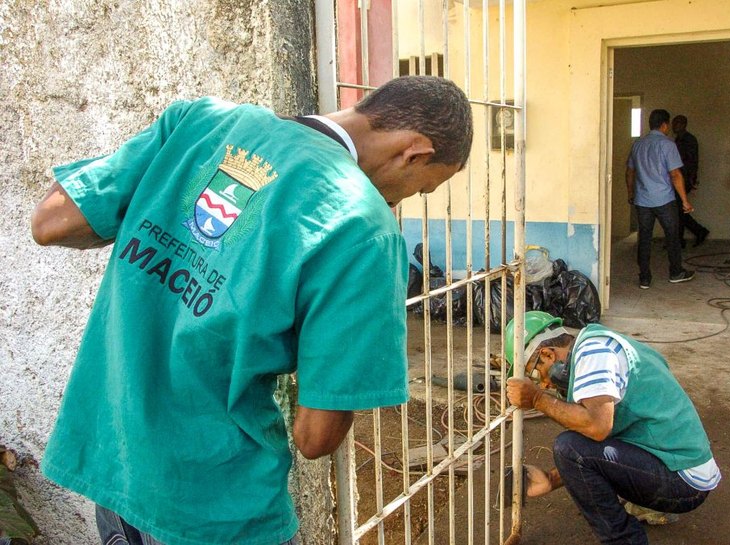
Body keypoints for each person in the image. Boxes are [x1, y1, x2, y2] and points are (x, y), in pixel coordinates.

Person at [30, 76, 473, 545]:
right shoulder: (364, 228)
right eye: (421, 188)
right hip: (214, 503)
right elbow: (315, 437)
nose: (399, 200)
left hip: (115, 464)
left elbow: (52, 223)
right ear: (415, 152)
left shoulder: (199, 122)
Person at [505, 312, 721, 545]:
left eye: (536, 374)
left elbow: (597, 428)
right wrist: (551, 479)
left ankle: (624, 540)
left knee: (568, 446)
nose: (545, 384)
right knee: (575, 444)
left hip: (682, 481)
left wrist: (537, 399)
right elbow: (598, 446)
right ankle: (646, 505)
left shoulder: (593, 353)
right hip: (684, 468)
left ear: (547, 353)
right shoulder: (601, 342)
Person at [626, 109, 695, 289]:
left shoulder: (637, 144)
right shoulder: (667, 144)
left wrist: (630, 193)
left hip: (642, 200)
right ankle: (675, 272)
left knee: (644, 238)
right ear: (664, 125)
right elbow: (675, 174)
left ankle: (644, 278)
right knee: (672, 236)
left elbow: (630, 172)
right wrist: (685, 201)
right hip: (665, 199)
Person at [671, 115, 710, 247]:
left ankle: (695, 233)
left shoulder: (689, 140)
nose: (674, 125)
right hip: (678, 178)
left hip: (683, 178)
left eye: (677, 123)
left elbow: (693, 161)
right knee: (678, 211)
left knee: (679, 211)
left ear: (683, 124)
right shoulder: (678, 140)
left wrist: (692, 179)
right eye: (673, 123)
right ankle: (692, 234)